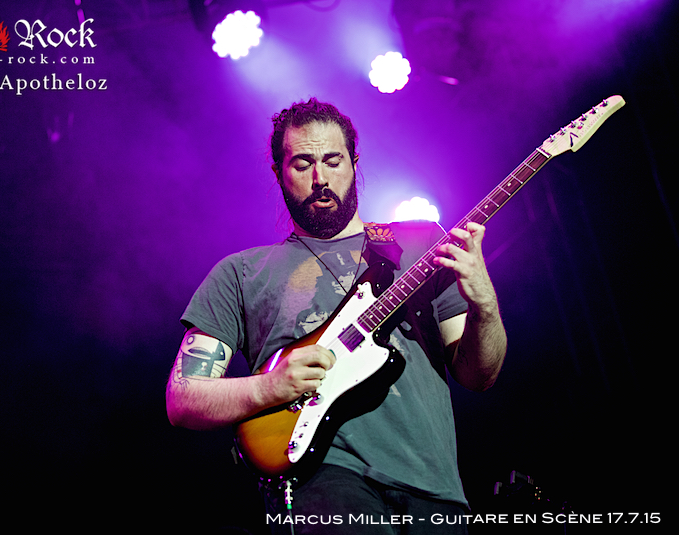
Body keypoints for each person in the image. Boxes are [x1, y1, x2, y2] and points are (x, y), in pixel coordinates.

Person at [166, 98, 506, 534]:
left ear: (354, 163)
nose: (320, 179)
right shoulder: (242, 273)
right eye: (303, 163)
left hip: (434, 491)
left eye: (333, 161)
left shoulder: (421, 245)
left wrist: (484, 305)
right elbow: (183, 399)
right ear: (278, 172)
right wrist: (270, 386)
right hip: (321, 485)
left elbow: (480, 376)